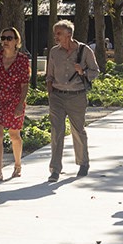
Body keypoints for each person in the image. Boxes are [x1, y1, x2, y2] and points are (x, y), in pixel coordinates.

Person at [46, 19, 99, 181]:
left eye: (59, 33)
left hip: (77, 96)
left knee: (78, 130)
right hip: (57, 96)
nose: (56, 36)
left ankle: (83, 162)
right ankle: (55, 169)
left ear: (69, 34)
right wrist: (49, 91)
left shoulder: (85, 50)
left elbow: (95, 72)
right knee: (57, 131)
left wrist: (82, 71)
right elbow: (49, 74)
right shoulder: (54, 52)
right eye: (55, 33)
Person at [0, 27, 30, 181]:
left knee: (14, 134)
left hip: (15, 100)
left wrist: (20, 104)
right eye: (3, 38)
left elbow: (25, 85)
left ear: (17, 41)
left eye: (9, 38)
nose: (5, 41)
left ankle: (17, 165)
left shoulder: (23, 60)